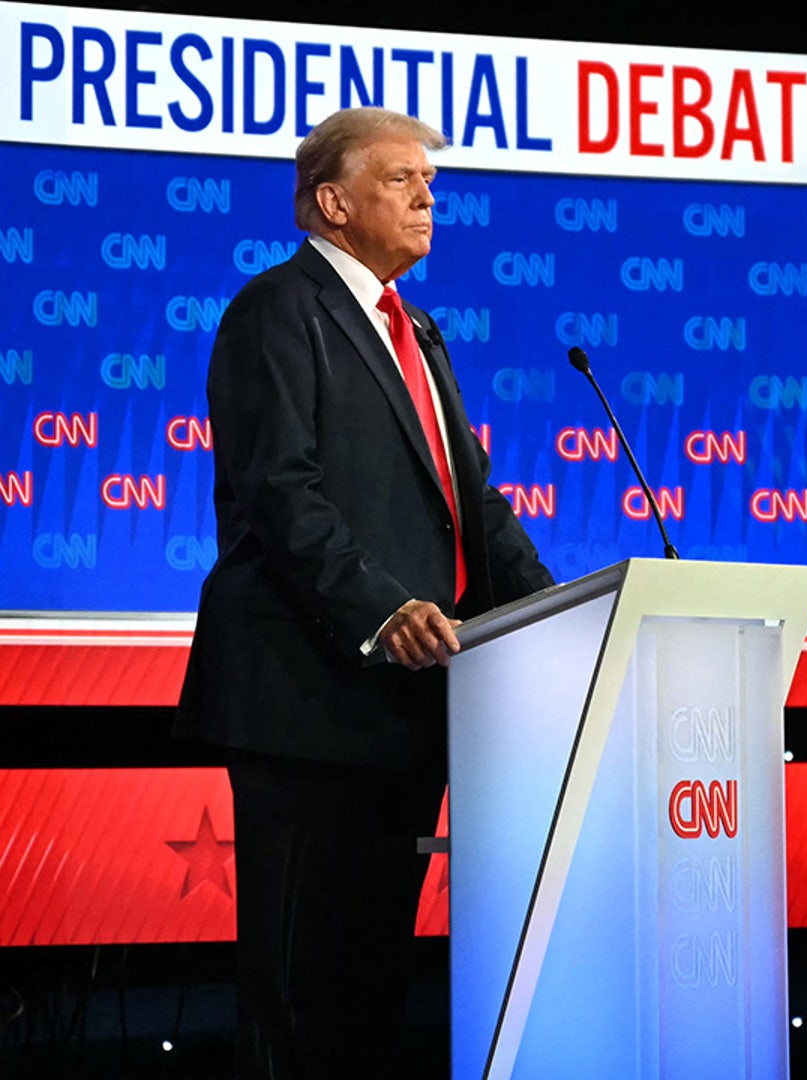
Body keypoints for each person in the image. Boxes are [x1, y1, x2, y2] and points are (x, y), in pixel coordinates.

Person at [175, 106, 555, 1077]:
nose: (427, 197)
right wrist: (381, 609)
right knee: (302, 983)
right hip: (307, 701)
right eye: (400, 179)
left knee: (370, 980)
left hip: (404, 705)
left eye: (429, 180)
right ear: (332, 202)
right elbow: (279, 488)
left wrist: (565, 610)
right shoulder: (278, 307)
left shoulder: (415, 328)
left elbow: (470, 500)